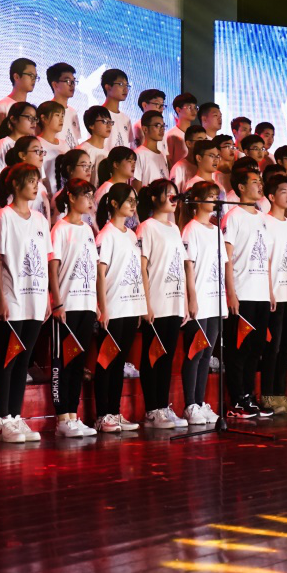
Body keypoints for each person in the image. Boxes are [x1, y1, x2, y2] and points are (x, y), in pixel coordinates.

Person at [0, 162, 57, 443]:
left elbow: (47, 258)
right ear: (16, 185)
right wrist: (1, 298)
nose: (35, 186)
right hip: (12, 299)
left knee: (24, 361)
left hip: (35, 300)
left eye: (37, 181)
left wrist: (48, 296)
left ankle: (16, 416)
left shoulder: (40, 220)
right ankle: (3, 420)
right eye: (30, 181)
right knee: (8, 360)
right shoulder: (3, 217)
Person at [91, 183, 148, 433]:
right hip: (113, 308)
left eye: (135, 200)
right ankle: (102, 415)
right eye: (129, 200)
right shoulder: (106, 235)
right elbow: (100, 274)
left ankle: (114, 412)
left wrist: (140, 305)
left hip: (130, 306)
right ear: (114, 204)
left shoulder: (131, 235)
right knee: (107, 362)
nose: (133, 205)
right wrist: (102, 308)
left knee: (119, 362)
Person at [221, 168, 274, 418]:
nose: (260, 185)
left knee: (255, 349)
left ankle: (249, 396)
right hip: (242, 293)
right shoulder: (233, 217)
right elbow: (227, 258)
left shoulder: (263, 217)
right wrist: (231, 293)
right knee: (238, 350)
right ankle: (237, 400)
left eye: (260, 181)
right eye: (254, 181)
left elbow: (267, 256)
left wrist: (270, 291)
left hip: (261, 293)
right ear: (241, 187)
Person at [49, 179, 100, 437]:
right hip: (67, 305)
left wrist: (96, 303)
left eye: (92, 196)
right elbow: (53, 268)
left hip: (86, 304)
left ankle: (73, 414)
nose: (90, 200)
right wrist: (57, 302)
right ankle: (62, 418)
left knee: (79, 362)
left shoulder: (88, 229)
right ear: (71, 197)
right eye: (85, 195)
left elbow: (93, 267)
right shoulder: (60, 228)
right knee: (63, 362)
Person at [137, 179, 189, 429]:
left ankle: (162, 406)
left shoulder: (175, 228)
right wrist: (146, 303)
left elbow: (180, 264)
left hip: (174, 300)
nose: (173, 199)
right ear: (154, 198)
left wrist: (185, 301)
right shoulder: (146, 227)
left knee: (167, 357)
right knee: (153, 356)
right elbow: (142, 268)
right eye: (168, 194)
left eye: (175, 194)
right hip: (156, 300)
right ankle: (152, 409)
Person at [180, 182, 227, 425]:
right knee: (195, 353)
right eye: (210, 196)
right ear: (197, 200)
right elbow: (188, 266)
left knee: (207, 353)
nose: (214, 201)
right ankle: (190, 404)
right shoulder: (191, 229)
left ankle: (200, 402)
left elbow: (221, 265)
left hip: (215, 298)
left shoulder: (216, 230)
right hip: (200, 298)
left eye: (216, 196)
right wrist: (192, 298)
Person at [260, 174, 287, 415]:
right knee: (273, 347)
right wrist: (269, 291)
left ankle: (280, 395)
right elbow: (265, 259)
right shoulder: (265, 222)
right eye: (283, 191)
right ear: (271, 196)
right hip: (275, 293)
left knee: (286, 347)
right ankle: (267, 395)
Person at [4, 136, 55, 224]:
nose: (41, 154)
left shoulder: (41, 186)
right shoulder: (18, 184)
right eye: (37, 151)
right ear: (22, 155)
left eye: (42, 151)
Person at [96, 146, 139, 232]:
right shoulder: (106, 189)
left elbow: (135, 219)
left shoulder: (132, 190)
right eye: (129, 161)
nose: (133, 165)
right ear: (116, 164)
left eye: (134, 161)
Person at [35, 100, 70, 197]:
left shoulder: (64, 144)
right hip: (45, 195)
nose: (61, 119)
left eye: (62, 116)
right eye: (57, 115)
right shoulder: (37, 143)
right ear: (43, 118)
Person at [46, 62, 84, 149]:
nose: (72, 85)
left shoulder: (73, 112)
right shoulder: (47, 110)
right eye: (67, 81)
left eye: (74, 81)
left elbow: (75, 140)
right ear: (55, 85)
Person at [0, 57, 36, 131]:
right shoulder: (2, 106)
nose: (33, 79)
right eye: (30, 75)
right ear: (16, 77)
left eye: (35, 76)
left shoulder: (31, 109)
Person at [0, 101, 37, 176]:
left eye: (35, 118)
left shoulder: (34, 143)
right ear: (13, 119)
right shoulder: (4, 144)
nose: (34, 122)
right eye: (29, 117)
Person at [133, 109, 170, 190]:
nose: (162, 129)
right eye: (157, 126)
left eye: (163, 126)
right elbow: (136, 188)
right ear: (145, 129)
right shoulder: (138, 154)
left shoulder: (162, 155)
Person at [100, 69, 134, 149]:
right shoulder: (98, 115)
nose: (125, 89)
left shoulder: (126, 119)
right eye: (121, 84)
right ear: (108, 87)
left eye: (127, 85)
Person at [169, 125, 208, 189]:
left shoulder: (208, 166)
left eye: (206, 140)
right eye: (200, 140)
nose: (204, 144)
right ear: (189, 144)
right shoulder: (178, 168)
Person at [165, 92, 198, 167]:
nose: (194, 111)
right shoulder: (171, 135)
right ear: (178, 110)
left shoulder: (196, 134)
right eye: (189, 107)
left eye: (195, 107)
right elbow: (169, 162)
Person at [79, 105, 113, 179]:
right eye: (104, 121)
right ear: (91, 125)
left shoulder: (108, 152)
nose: (109, 126)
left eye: (110, 122)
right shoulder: (83, 150)